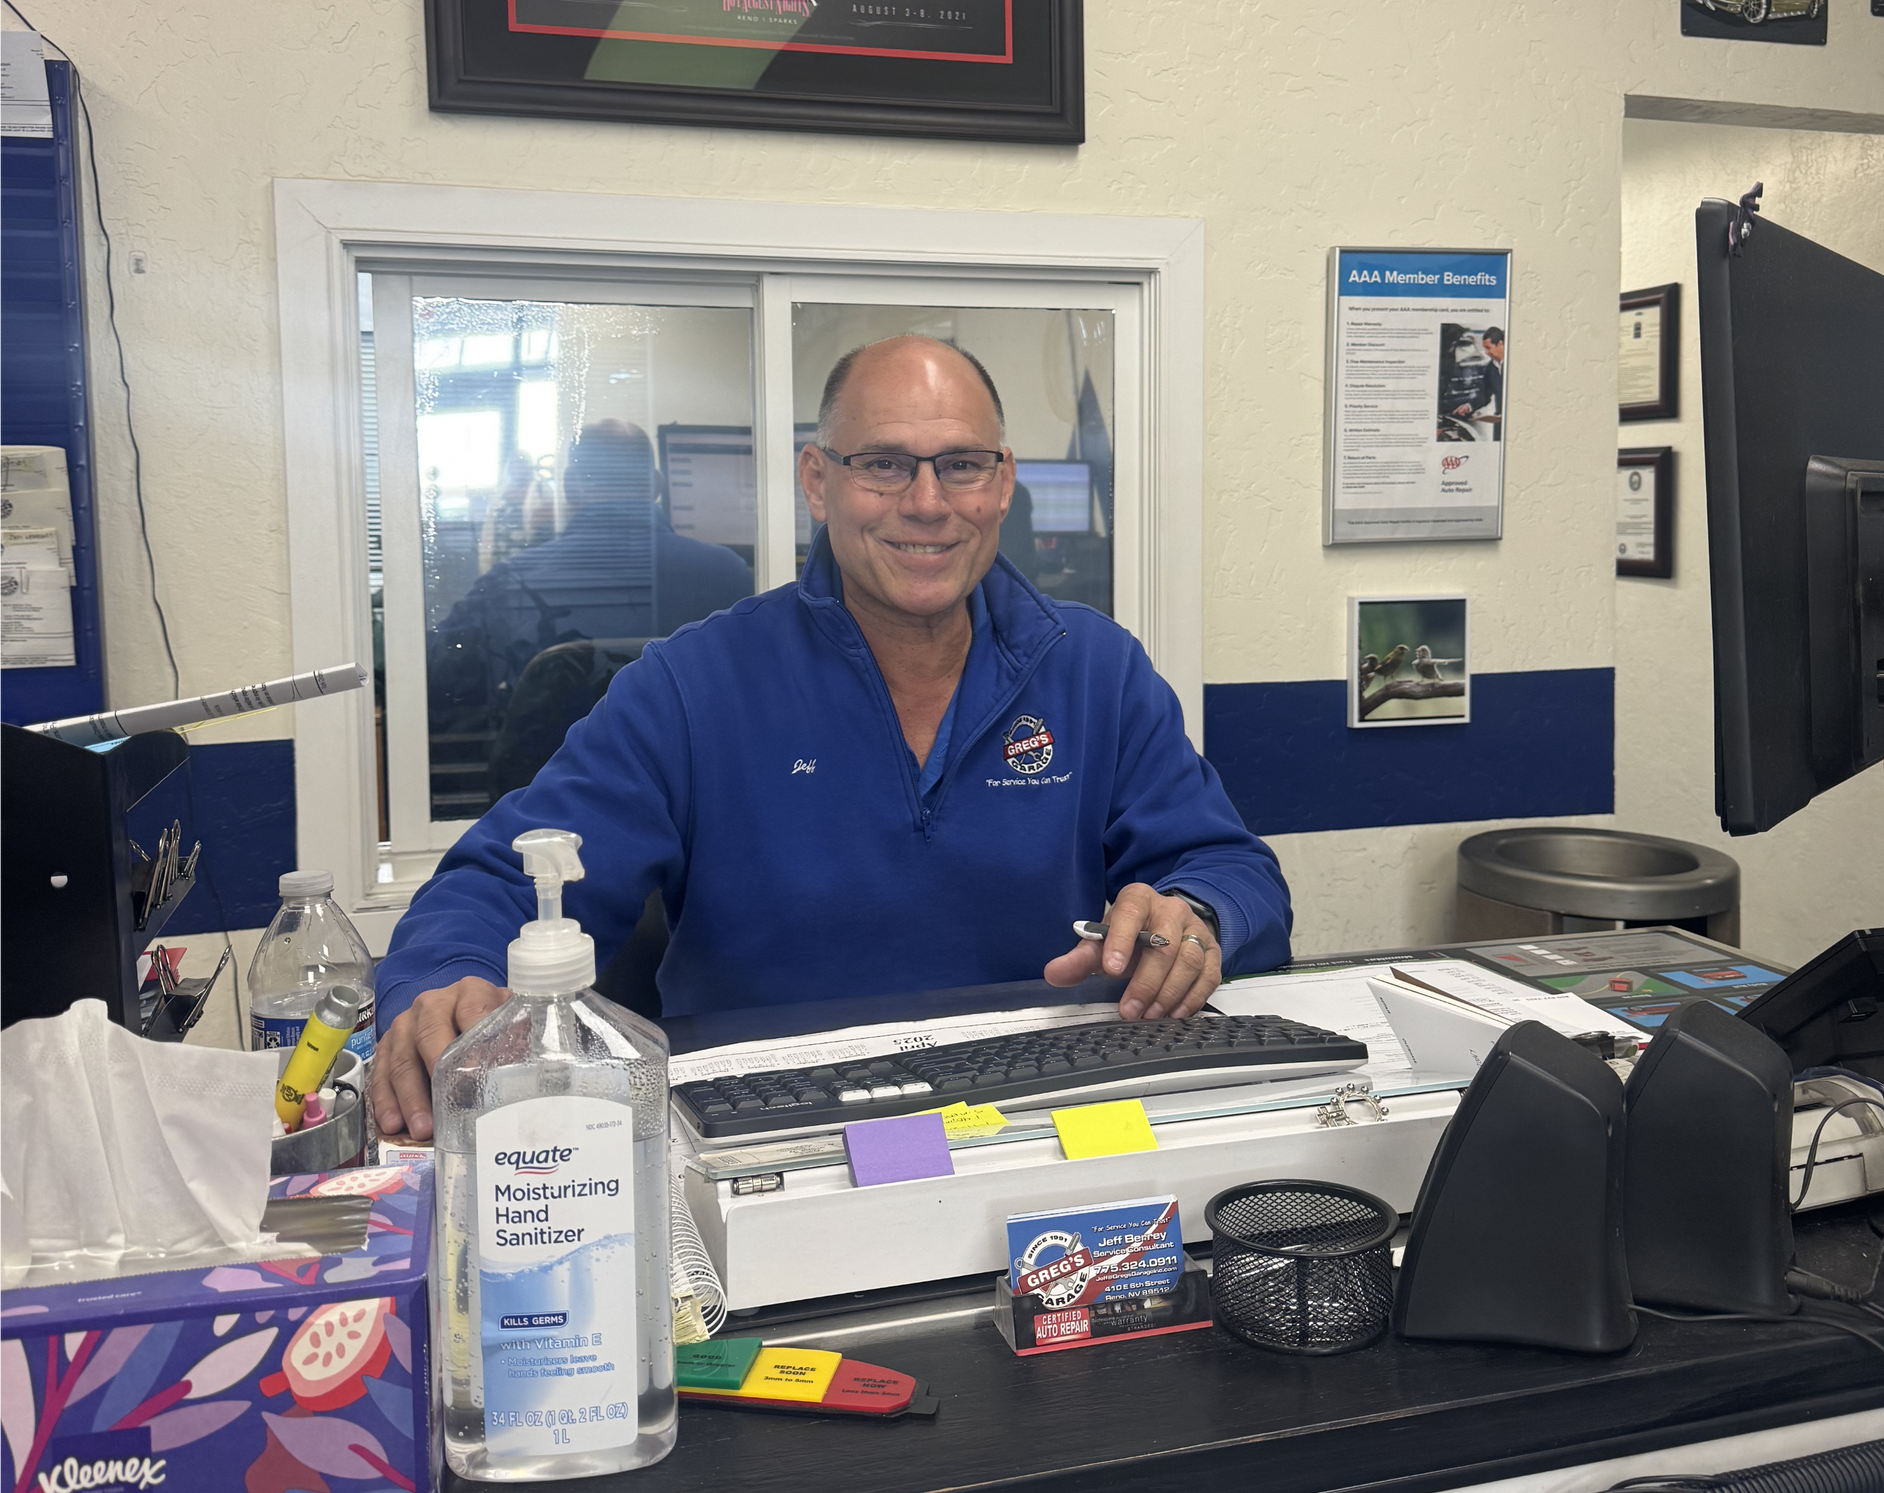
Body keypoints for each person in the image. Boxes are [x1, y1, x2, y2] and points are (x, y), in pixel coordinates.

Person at [372, 338, 1293, 1142]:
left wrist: (1198, 917)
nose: (928, 502)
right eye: (884, 464)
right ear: (820, 481)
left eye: (962, 464)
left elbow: (1230, 868)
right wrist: (449, 981)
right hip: (771, 1135)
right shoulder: (695, 686)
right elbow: (500, 880)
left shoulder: (1096, 668)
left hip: (1051, 1121)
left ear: (1003, 481)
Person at [426, 420, 750, 733]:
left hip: (551, 783)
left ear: (569, 486)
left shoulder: (511, 582)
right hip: (687, 782)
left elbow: (441, 681)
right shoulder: (730, 576)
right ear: (656, 485)